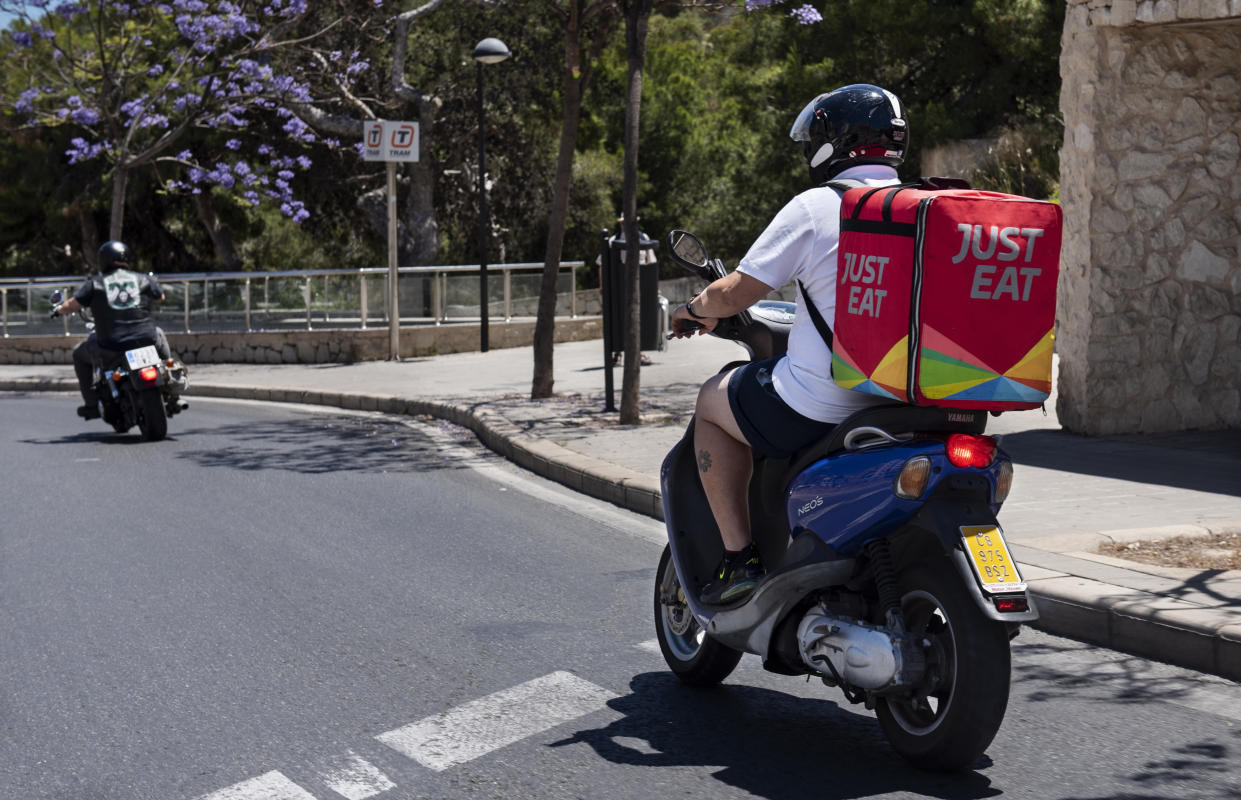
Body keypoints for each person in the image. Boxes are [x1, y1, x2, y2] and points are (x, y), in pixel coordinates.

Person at [668, 84, 908, 605]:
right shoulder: (927, 208)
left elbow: (734, 293)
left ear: (832, 143)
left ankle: (739, 560)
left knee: (713, 400)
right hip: (914, 398)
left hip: (829, 400)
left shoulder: (819, 206)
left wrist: (690, 310)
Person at [53, 240, 173, 420]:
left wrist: (59, 309)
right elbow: (160, 297)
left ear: (103, 261)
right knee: (160, 333)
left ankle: (91, 405)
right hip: (146, 338)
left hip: (112, 343)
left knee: (79, 354)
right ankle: (171, 378)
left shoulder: (95, 284)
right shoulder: (142, 279)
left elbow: (72, 305)